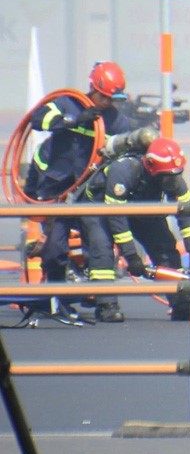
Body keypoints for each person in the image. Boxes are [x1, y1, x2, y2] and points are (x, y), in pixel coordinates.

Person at [25, 62, 134, 287]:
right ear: (93, 88)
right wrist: (74, 120)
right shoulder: (67, 103)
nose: (106, 103)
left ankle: (101, 300)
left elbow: (127, 148)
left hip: (91, 192)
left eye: (110, 99)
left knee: (99, 245)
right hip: (59, 191)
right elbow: (38, 119)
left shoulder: (115, 120)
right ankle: (55, 298)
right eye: (103, 97)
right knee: (55, 249)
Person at [77, 137, 190, 322]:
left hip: (140, 207)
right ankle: (106, 305)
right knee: (102, 250)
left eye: (176, 175)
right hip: (101, 209)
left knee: (165, 249)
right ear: (150, 166)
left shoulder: (172, 176)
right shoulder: (124, 171)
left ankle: (181, 302)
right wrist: (131, 256)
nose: (172, 182)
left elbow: (187, 213)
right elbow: (116, 217)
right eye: (166, 178)